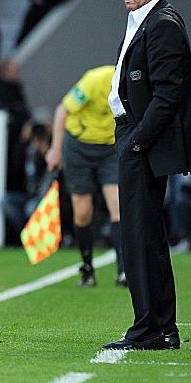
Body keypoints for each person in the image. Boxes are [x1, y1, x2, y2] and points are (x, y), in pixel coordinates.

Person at [102, 0, 191, 351]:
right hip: (136, 136)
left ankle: (150, 328)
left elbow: (168, 94)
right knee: (144, 235)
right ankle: (160, 327)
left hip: (141, 140)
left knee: (140, 236)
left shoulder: (161, 24)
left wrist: (136, 143)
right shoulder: (146, 19)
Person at [45, 65, 126, 288]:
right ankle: (87, 269)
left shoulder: (133, 84)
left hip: (109, 149)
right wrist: (55, 149)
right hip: (79, 147)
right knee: (83, 212)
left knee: (118, 206)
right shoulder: (95, 80)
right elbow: (63, 110)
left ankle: (123, 271)